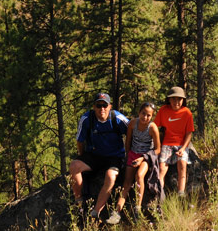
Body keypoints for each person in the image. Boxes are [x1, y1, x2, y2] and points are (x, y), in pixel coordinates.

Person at [69, 93, 130, 224]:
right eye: (98, 105)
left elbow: (132, 131)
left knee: (110, 176)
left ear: (110, 107)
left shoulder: (117, 118)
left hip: (115, 157)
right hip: (94, 156)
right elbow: (80, 140)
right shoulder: (87, 119)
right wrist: (82, 156)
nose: (102, 109)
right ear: (94, 107)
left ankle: (95, 212)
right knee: (74, 166)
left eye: (104, 105)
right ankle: (79, 201)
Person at [112, 102, 161, 219]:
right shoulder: (133, 124)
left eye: (148, 115)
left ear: (152, 116)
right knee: (127, 183)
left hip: (146, 156)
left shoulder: (152, 128)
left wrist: (144, 158)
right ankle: (117, 212)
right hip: (133, 154)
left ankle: (137, 208)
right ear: (139, 112)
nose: (145, 117)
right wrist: (128, 155)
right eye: (143, 113)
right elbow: (128, 141)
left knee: (139, 176)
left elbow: (158, 149)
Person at [155, 86, 195, 197]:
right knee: (162, 168)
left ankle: (181, 192)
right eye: (173, 99)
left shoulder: (187, 113)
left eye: (179, 99)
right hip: (167, 143)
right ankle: (159, 193)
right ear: (169, 100)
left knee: (182, 164)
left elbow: (189, 133)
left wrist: (183, 149)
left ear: (183, 100)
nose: (176, 102)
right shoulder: (163, 110)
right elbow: (154, 127)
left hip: (182, 144)